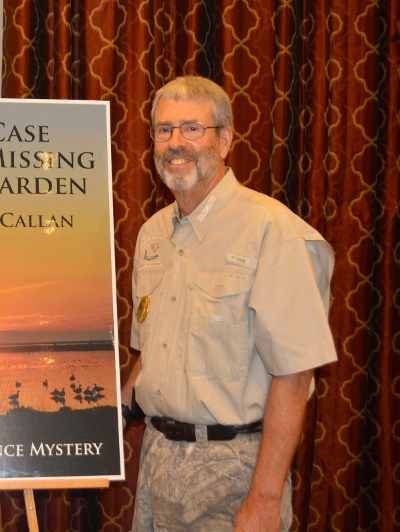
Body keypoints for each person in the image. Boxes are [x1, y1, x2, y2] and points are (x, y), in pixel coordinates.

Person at [120, 76, 337, 531]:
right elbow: (154, 351)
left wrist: (264, 499)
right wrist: (115, 416)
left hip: (234, 472)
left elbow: (295, 376)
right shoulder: (152, 234)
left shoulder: (272, 232)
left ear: (225, 140)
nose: (175, 143)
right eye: (163, 130)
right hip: (157, 463)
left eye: (191, 129)